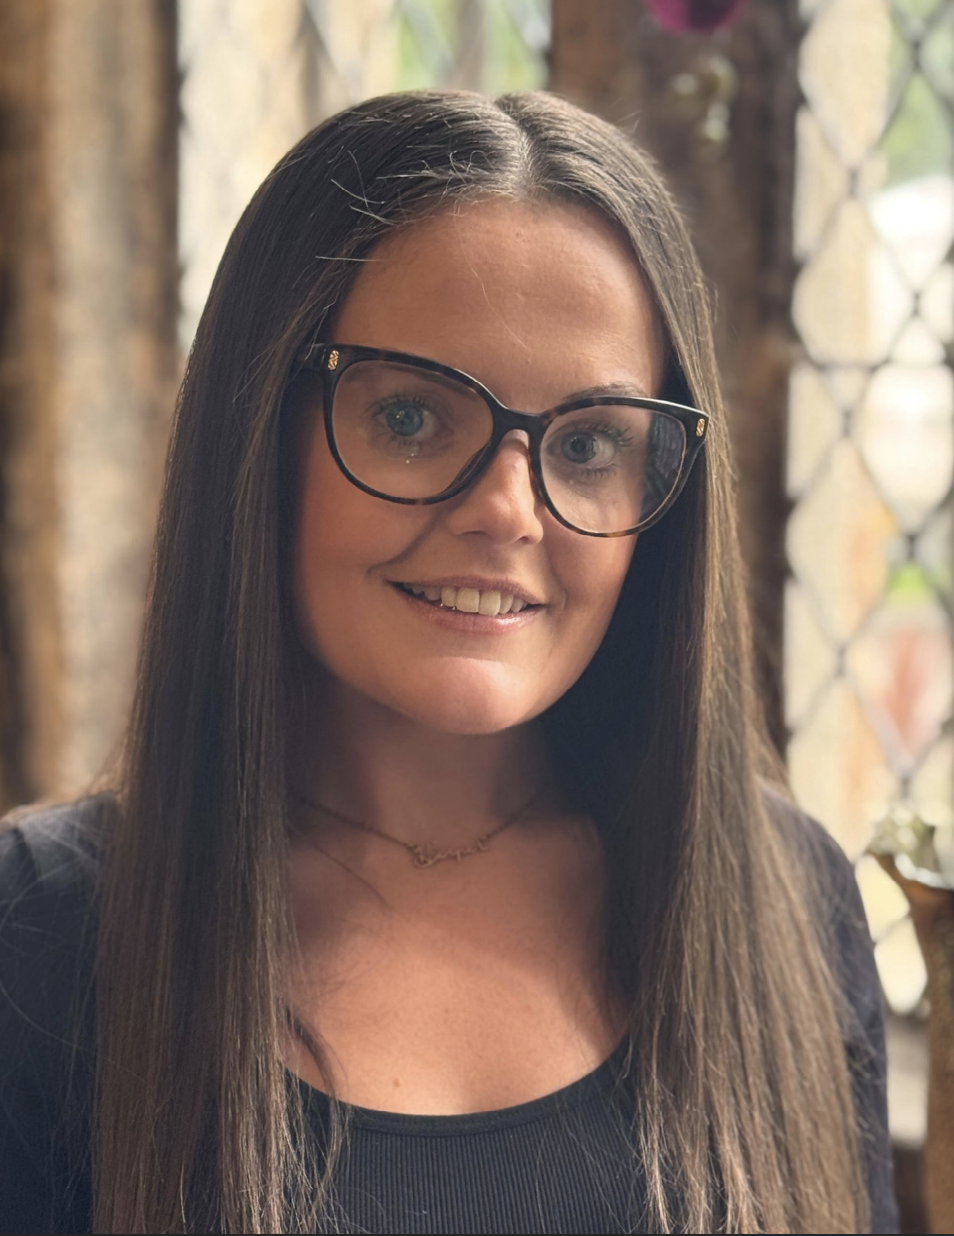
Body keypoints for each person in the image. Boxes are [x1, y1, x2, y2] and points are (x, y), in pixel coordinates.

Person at [0, 90, 897, 1235]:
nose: (507, 511)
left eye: (587, 444)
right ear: (258, 436)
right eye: (413, 419)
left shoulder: (788, 901)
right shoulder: (39, 939)